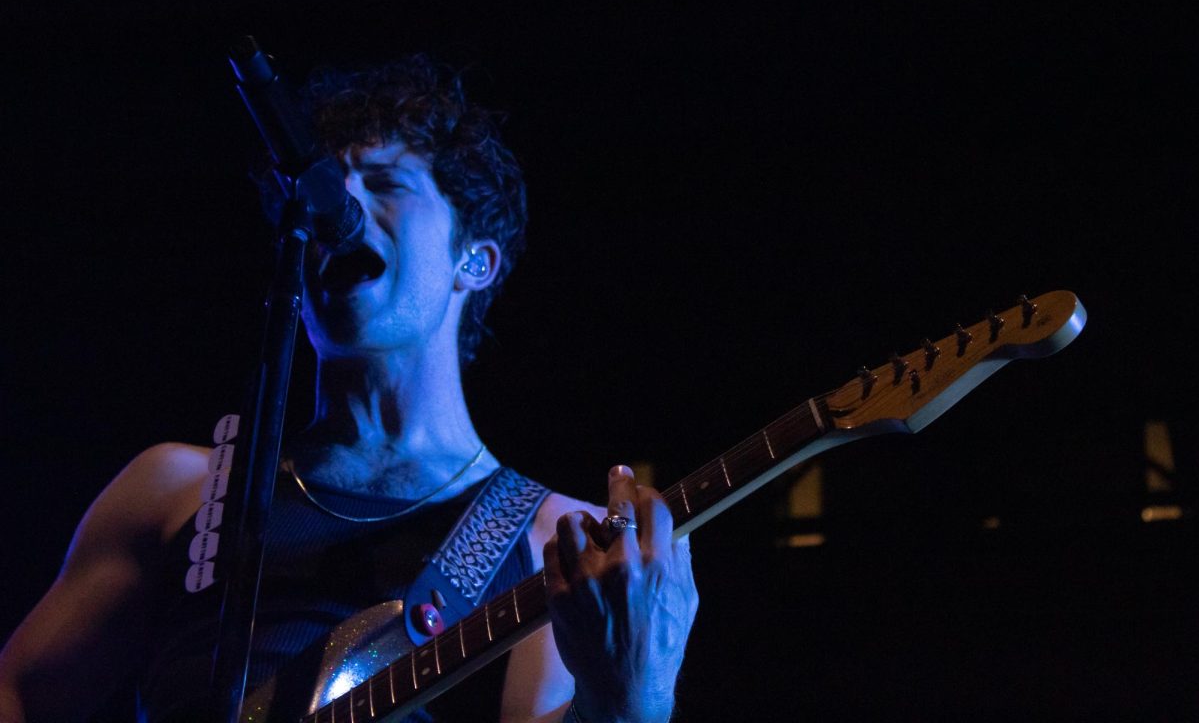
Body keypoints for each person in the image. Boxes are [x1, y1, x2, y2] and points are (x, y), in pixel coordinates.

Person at [0, 56, 699, 722]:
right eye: (327, 191)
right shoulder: (178, 491)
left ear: (475, 261)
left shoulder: (552, 540)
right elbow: (18, 694)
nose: (344, 208)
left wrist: (628, 700)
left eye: (387, 184)